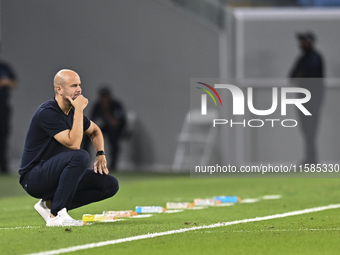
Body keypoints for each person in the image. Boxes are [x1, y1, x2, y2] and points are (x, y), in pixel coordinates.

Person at [19, 69, 119, 227]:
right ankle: (56, 215)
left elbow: (95, 130)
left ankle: (50, 204)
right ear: (59, 89)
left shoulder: (72, 113)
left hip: (56, 174)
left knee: (109, 184)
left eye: (79, 85)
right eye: (73, 86)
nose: (79, 89)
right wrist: (79, 109)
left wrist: (100, 154)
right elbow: (74, 144)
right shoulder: (48, 112)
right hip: (34, 178)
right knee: (80, 156)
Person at [289, 31, 324, 165]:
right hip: (302, 101)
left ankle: (312, 159)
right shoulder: (302, 59)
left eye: (304, 41)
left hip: (312, 101)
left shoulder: (315, 58)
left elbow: (308, 76)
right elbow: (293, 76)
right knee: (306, 131)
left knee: (311, 131)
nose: (301, 44)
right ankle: (310, 158)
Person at [83, 86, 126, 170]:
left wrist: (106, 111)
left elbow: (115, 123)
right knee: (86, 137)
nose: (104, 99)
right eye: (102, 96)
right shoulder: (97, 106)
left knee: (113, 138)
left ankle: (113, 165)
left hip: (115, 130)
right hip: (102, 128)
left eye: (106, 96)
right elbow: (92, 120)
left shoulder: (116, 105)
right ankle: (85, 163)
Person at [0, 59, 17, 175]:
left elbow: (13, 82)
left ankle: (3, 166)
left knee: (3, 134)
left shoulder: (4, 67)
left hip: (2, 104)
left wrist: (6, 82)